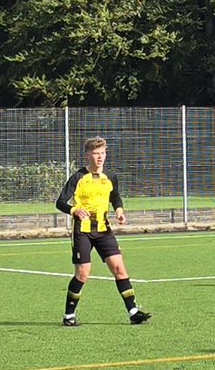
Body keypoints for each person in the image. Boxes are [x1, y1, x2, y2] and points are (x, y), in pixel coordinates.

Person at [55, 136, 151, 326]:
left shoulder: (110, 177)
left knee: (119, 269)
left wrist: (120, 211)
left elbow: (116, 198)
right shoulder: (78, 177)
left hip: (104, 229)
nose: (100, 157)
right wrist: (74, 210)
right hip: (82, 230)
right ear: (87, 155)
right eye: (96, 153)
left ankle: (133, 312)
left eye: (103, 153)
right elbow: (60, 202)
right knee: (83, 273)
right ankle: (69, 316)